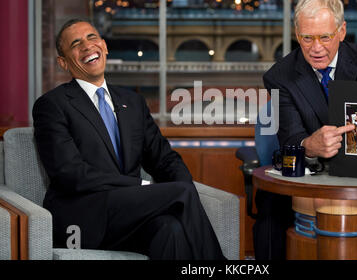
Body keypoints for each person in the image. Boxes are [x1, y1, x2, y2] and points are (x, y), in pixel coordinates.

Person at [32, 19, 225, 260]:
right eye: (76, 43)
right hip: (83, 217)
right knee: (181, 193)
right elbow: (70, 174)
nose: (87, 46)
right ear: (63, 63)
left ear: (104, 46)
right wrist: (141, 186)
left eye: (92, 38)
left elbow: (164, 159)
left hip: (128, 215)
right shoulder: (52, 105)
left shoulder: (132, 102)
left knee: (170, 229)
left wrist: (181, 185)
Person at [254, 0, 357, 259]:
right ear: (297, 34)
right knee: (271, 210)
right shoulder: (279, 77)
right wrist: (310, 145)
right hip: (311, 175)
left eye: (325, 37)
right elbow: (290, 140)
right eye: (307, 38)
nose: (316, 48)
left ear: (341, 31)